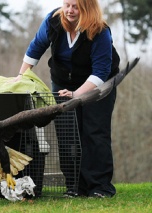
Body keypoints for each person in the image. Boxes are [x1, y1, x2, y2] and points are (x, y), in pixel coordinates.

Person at [13, 0, 120, 198]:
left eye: (76, 6)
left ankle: (99, 187)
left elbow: (101, 71)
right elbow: (36, 48)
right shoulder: (53, 21)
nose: (70, 10)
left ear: (87, 8)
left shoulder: (100, 31)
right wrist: (20, 78)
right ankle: (74, 186)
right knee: (67, 135)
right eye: (67, 5)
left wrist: (77, 94)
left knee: (94, 133)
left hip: (98, 84)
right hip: (63, 82)